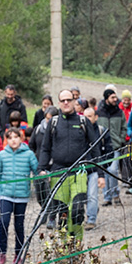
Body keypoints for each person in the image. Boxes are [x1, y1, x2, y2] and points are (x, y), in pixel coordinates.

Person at [38, 89, 103, 238]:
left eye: (69, 99)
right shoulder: (53, 123)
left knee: (77, 210)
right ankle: (64, 249)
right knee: (63, 213)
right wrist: (42, 169)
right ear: (59, 103)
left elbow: (95, 148)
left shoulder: (83, 122)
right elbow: (45, 148)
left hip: (79, 173)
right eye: (63, 100)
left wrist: (101, 174)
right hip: (58, 173)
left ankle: (76, 246)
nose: (66, 103)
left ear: (75, 101)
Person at [0, 126, 39, 264]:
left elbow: (36, 169)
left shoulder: (29, 154)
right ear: (6, 140)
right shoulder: (2, 155)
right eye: (10, 138)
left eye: (16, 137)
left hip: (21, 195)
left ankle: (18, 254)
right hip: (6, 194)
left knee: (19, 225)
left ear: (21, 138)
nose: (13, 140)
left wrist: (42, 173)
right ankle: (2, 253)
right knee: (3, 223)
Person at [83, 105, 112, 229]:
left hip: (95, 169)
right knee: (82, 196)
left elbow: (109, 151)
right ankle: (91, 211)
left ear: (96, 117)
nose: (87, 119)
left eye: (89, 116)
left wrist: (103, 167)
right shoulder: (79, 131)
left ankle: (91, 219)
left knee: (92, 195)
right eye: (85, 117)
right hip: (81, 169)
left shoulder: (102, 131)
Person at [96, 88, 126, 207]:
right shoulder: (99, 112)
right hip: (102, 147)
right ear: (107, 98)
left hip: (115, 146)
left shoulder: (120, 112)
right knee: (104, 171)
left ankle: (115, 194)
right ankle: (107, 197)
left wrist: (121, 139)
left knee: (113, 170)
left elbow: (124, 127)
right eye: (112, 97)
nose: (116, 99)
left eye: (116, 97)